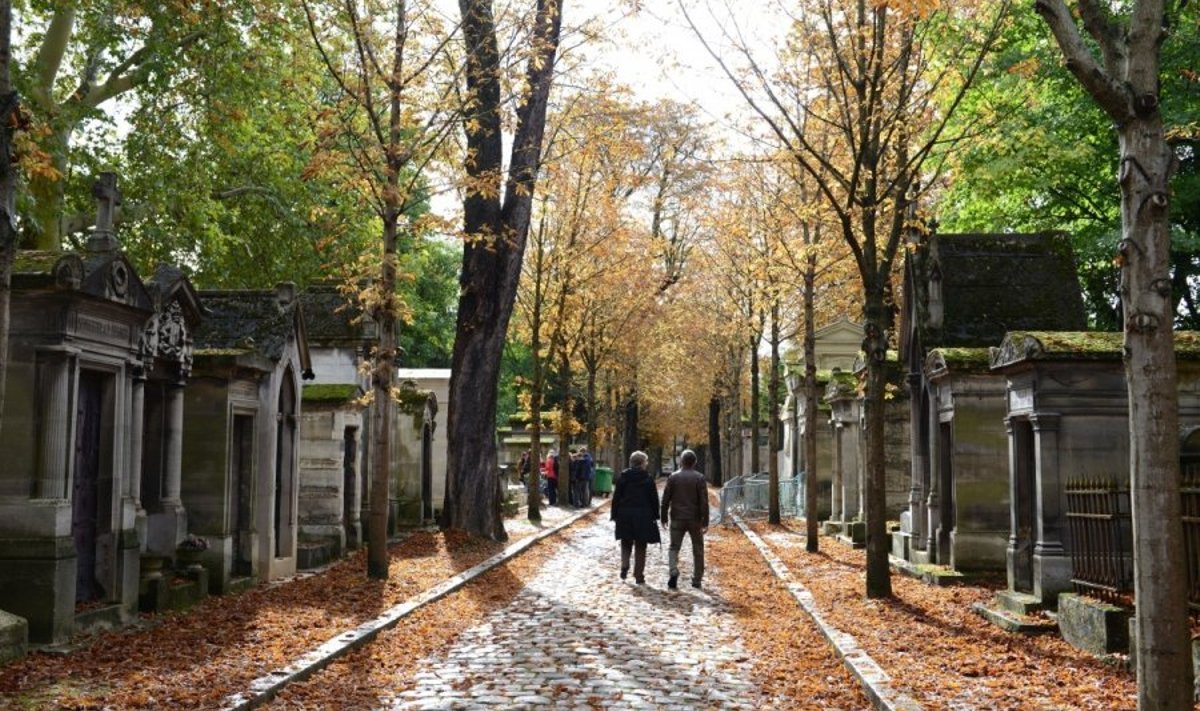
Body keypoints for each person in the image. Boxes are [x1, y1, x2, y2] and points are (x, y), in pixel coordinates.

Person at [660, 449, 709, 590]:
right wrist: (705, 521)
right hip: (695, 519)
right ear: (695, 462)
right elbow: (703, 502)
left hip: (677, 518)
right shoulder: (699, 478)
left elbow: (666, 499)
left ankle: (673, 570)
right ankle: (697, 579)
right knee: (698, 549)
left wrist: (664, 517)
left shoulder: (673, 477)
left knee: (674, 547)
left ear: (681, 461)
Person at [611, 450, 660, 584]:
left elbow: (616, 498)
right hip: (643, 515)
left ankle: (624, 564)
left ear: (631, 463)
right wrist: (656, 515)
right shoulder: (648, 479)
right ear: (643, 463)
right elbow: (653, 499)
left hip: (625, 514)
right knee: (641, 545)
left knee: (626, 541)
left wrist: (614, 514)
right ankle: (639, 575)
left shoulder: (623, 477)